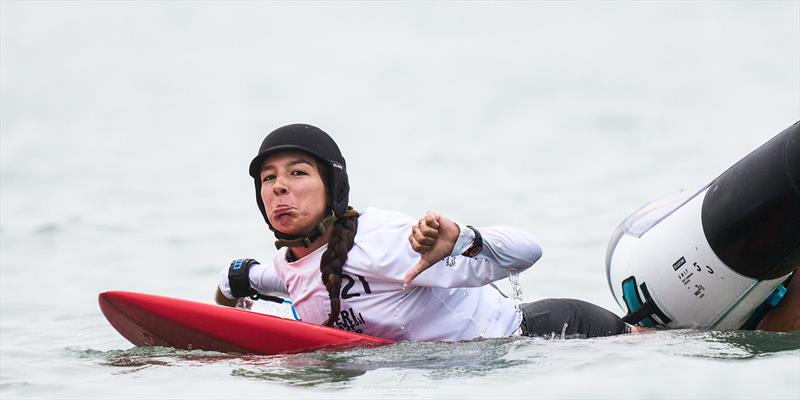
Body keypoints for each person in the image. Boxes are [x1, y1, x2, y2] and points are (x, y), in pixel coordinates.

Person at [215, 123, 633, 341]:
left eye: (298, 173)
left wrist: (463, 239)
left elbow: (528, 251)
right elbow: (237, 277)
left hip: (554, 336)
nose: (279, 187)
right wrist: (225, 308)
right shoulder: (285, 267)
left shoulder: (384, 242)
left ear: (334, 189)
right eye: (267, 179)